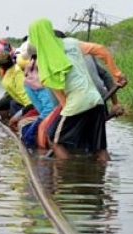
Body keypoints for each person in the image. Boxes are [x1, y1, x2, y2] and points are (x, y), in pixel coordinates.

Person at [28, 18, 127, 162]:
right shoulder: (71, 43)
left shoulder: (43, 63)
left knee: (54, 141)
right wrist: (118, 74)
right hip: (96, 100)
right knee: (100, 149)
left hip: (76, 103)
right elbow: (101, 50)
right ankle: (104, 179)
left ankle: (69, 176)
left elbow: (63, 102)